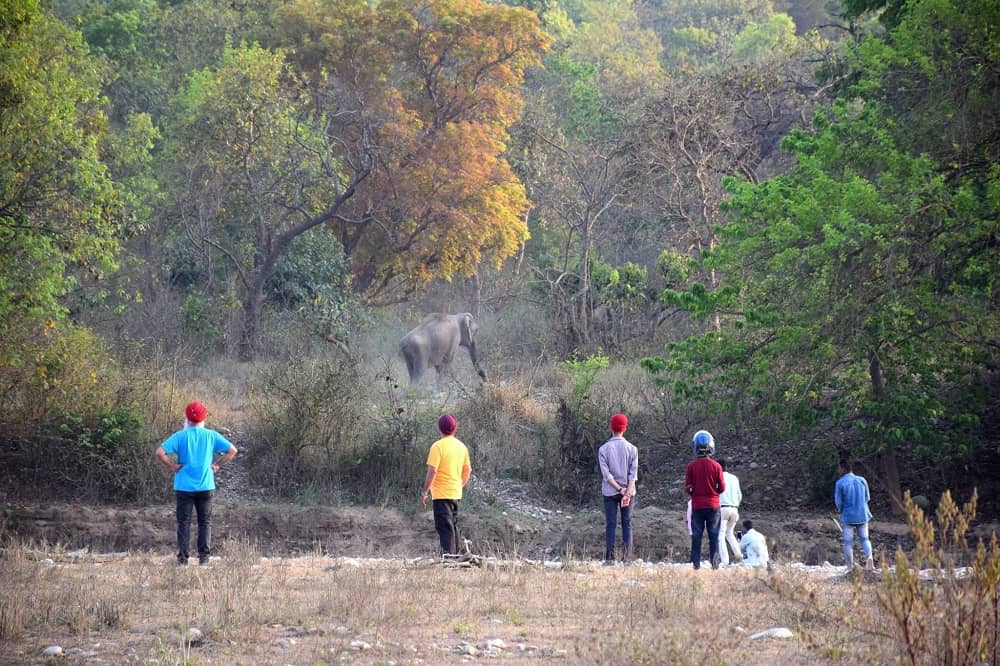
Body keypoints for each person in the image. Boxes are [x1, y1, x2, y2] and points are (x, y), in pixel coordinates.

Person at [155, 401, 237, 566]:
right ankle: (204, 560)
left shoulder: (180, 436)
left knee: (183, 523)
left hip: (183, 487)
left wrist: (172, 466)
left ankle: (183, 561)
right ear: (204, 418)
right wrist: (217, 465)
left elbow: (160, 452)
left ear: (187, 417)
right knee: (205, 522)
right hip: (206, 486)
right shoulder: (211, 435)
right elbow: (232, 450)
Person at [421, 414, 472, 555]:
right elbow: (468, 470)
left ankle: (449, 560)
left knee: (445, 527)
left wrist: (425, 492)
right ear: (455, 428)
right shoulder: (462, 447)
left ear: (439, 428)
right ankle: (457, 557)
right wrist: (459, 485)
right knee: (452, 526)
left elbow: (432, 471)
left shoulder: (437, 447)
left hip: (441, 494)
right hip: (455, 493)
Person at [598, 413, 638, 564]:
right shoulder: (633, 449)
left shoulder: (603, 449)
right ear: (625, 428)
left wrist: (619, 489)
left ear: (611, 427)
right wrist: (627, 491)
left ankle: (609, 559)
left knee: (611, 524)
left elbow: (606, 475)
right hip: (628, 492)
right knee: (627, 523)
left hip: (609, 492)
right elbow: (633, 475)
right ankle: (627, 559)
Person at [685, 430, 725, 570]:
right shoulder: (717, 466)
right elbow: (722, 487)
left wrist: (695, 492)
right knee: (714, 536)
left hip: (697, 506)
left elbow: (688, 488)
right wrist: (714, 492)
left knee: (697, 535)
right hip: (713, 506)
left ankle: (696, 564)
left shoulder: (691, 466)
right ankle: (715, 564)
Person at [835, 457, 874, 570]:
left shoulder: (840, 483)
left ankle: (850, 566)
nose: (838, 470)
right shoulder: (862, 480)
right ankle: (869, 558)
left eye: (839, 468)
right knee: (865, 539)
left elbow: (838, 502)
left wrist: (842, 511)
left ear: (843, 469)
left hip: (848, 516)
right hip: (863, 514)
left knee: (848, 542)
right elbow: (867, 497)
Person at [717, 459, 744, 566]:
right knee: (730, 534)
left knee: (720, 535)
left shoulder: (717, 477)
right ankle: (739, 557)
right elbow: (739, 495)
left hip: (723, 508)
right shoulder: (734, 478)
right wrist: (735, 504)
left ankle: (725, 561)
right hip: (734, 509)